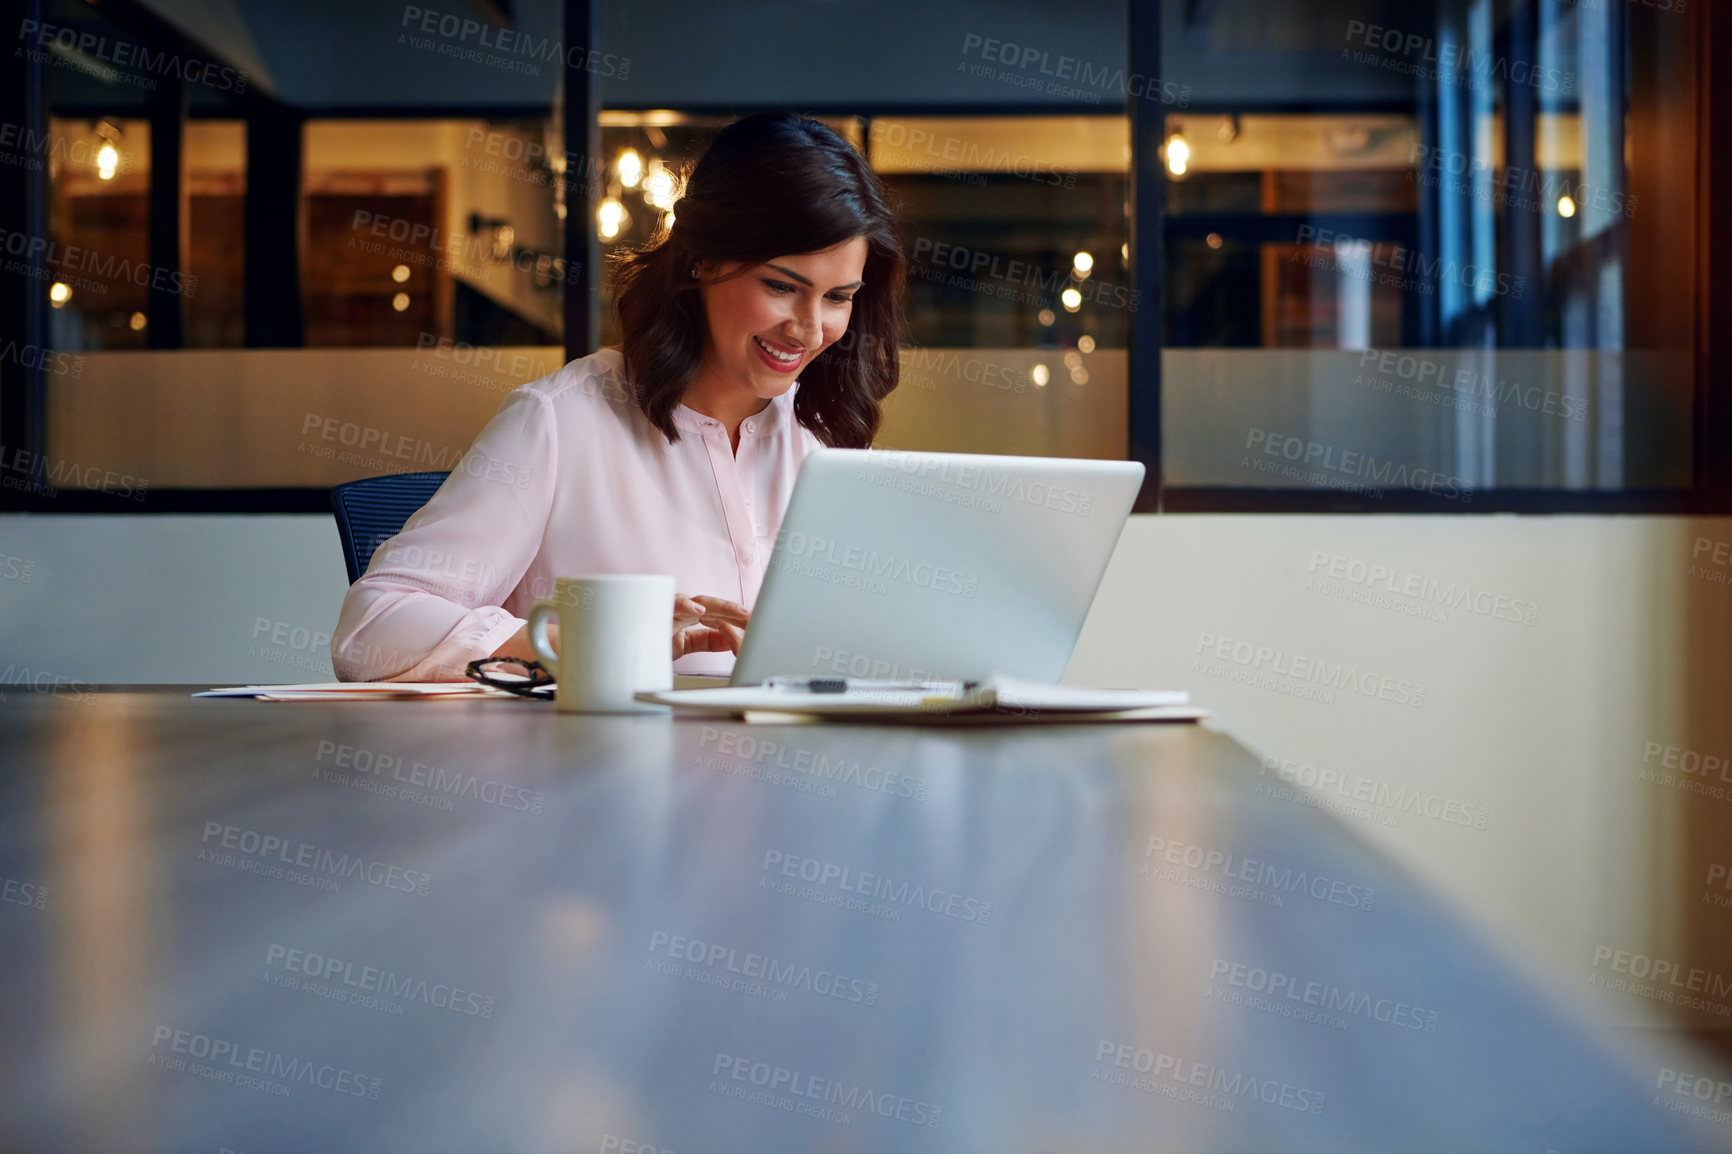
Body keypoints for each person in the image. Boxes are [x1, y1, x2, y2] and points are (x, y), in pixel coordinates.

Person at [331, 112, 905, 681]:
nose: (808, 329)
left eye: (838, 297)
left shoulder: (826, 446)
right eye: (782, 287)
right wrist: (598, 642)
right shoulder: (561, 421)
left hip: (792, 767)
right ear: (702, 258)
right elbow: (371, 630)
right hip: (599, 766)